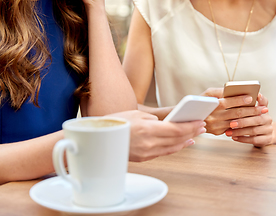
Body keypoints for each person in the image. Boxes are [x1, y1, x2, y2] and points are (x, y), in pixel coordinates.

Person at [0, 0, 205, 185]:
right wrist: (88, 142)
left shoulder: (69, 9)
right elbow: (112, 135)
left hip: (58, 191)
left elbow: (115, 119)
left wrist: (95, 8)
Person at [123, 0, 276, 148]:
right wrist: (190, 116)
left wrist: (272, 132)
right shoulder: (156, 5)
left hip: (273, 183)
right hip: (181, 172)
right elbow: (124, 111)